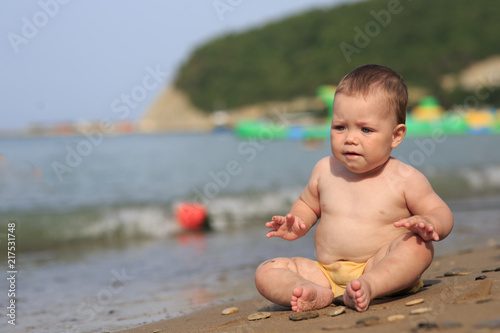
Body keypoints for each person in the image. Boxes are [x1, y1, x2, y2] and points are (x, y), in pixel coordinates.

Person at [254, 64, 454, 312]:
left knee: (418, 247)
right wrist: (298, 221)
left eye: (365, 129)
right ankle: (312, 291)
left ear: (396, 136)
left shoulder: (404, 178)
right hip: (326, 272)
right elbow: (307, 204)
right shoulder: (324, 170)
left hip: (379, 266)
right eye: (340, 127)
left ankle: (370, 286)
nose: (350, 138)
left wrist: (430, 222)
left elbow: (441, 212)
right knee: (267, 270)